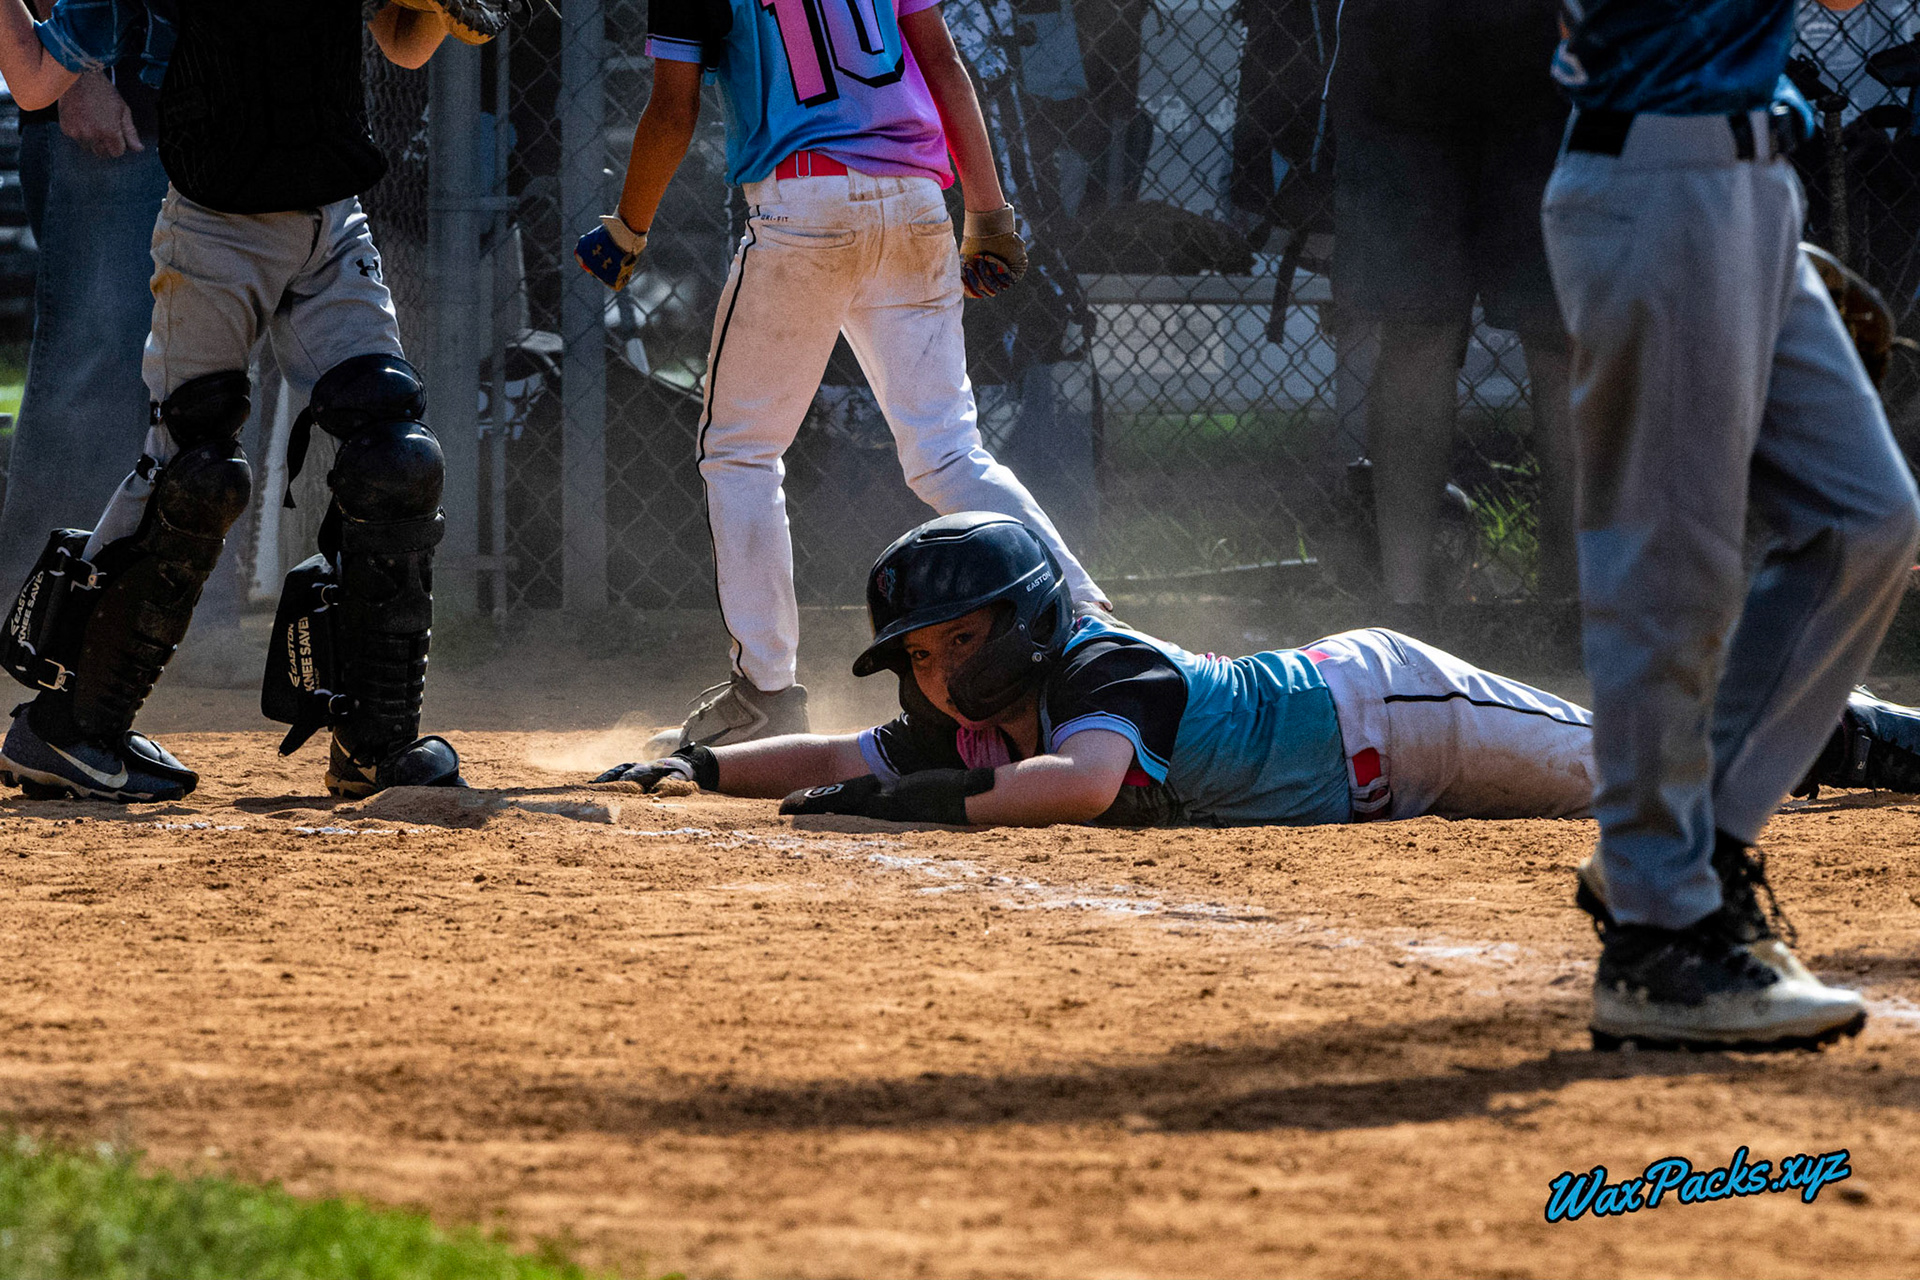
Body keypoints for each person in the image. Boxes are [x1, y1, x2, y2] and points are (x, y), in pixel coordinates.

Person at [596, 512, 1920, 837]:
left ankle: (1848, 732)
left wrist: (910, 807)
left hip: (1396, 714)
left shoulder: (1105, 671)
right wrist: (704, 768)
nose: (941, 680)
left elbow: (1087, 785)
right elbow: (834, 756)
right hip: (1369, 763)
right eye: (923, 660)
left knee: (1651, 780)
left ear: (1030, 623)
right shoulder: (988, 723)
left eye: (958, 642)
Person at [574, 0, 1108, 754]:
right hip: (919, 200)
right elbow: (944, 67)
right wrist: (988, 211)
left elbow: (672, 109)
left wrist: (629, 226)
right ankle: (1092, 631)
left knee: (741, 451)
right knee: (949, 453)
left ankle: (763, 692)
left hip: (803, 206)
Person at [1540, 0, 1920, 1052]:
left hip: (1748, 182)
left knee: (1866, 516)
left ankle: (1678, 852)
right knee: (1671, 569)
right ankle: (1659, 943)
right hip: (1662, 181)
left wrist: (1757, 239)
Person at [0, 0, 471, 802]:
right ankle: (71, 726)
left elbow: (404, 41)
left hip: (332, 220)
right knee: (195, 470)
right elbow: (35, 80)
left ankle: (373, 736)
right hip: (215, 228)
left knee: (396, 454)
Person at [1329, 0, 1577, 614]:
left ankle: (1572, 608)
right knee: (1418, 327)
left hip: (1549, 61)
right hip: (1407, 53)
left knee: (1562, 338)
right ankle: (1405, 608)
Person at [0, 15, 167, 595]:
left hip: (196, 121)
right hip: (110, 108)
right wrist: (76, 80)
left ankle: (166, 607)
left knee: (196, 376)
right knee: (91, 363)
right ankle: (32, 602)